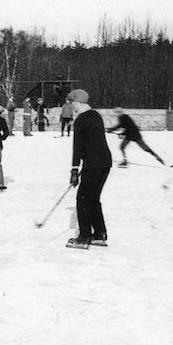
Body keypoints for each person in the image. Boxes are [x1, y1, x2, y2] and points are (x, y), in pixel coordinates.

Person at [67, 89, 112, 249]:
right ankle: (100, 234)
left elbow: (77, 147)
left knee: (83, 199)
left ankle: (84, 236)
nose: (71, 106)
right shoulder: (96, 115)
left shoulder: (80, 120)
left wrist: (74, 170)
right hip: (105, 163)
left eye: (71, 103)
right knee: (93, 198)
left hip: (93, 164)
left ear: (78, 103)